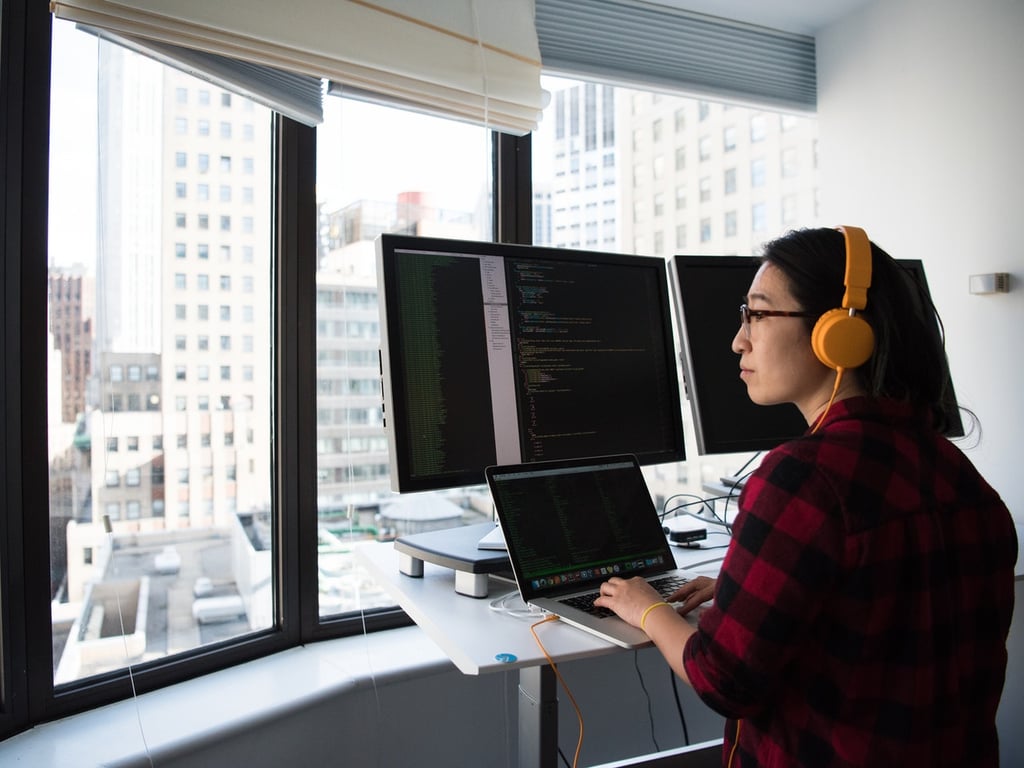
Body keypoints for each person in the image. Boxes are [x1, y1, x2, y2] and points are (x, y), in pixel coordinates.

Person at [594, 226, 1017, 766]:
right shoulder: (959, 474)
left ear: (838, 333)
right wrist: (748, 585)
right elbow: (885, 599)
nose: (738, 340)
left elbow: (723, 680)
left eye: (758, 314)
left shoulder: (803, 478)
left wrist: (648, 607)